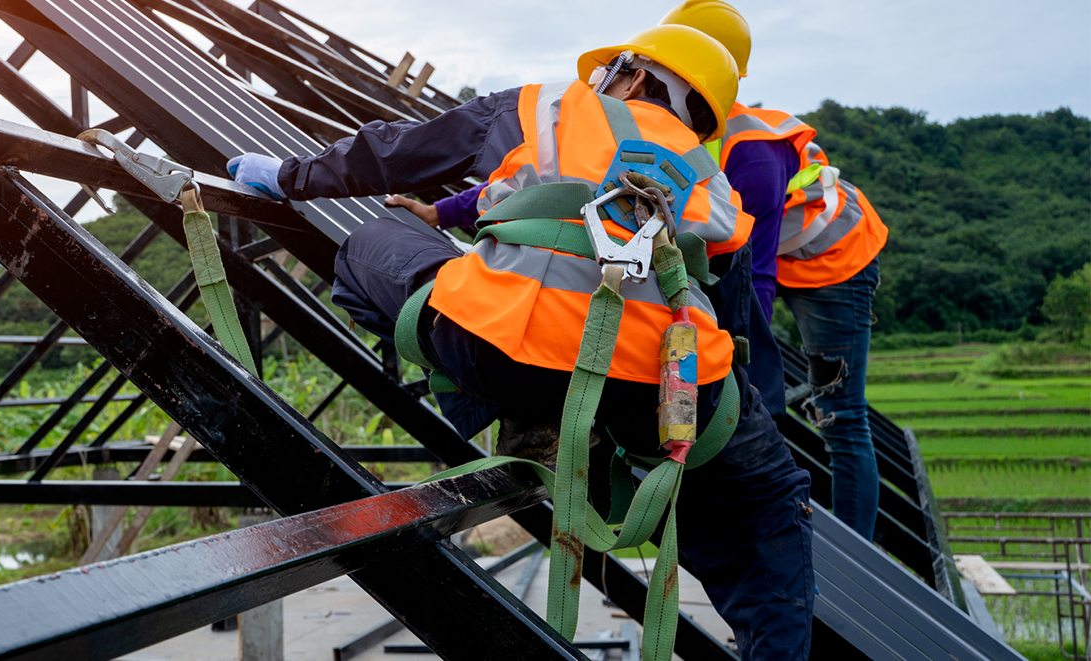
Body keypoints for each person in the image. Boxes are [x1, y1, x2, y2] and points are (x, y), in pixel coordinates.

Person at [228, 25, 813, 660]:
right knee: (768, 504)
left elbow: (397, 152)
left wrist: (289, 176)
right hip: (662, 381)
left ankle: (528, 416)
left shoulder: (543, 105)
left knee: (373, 244)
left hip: (503, 348)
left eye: (609, 72)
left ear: (636, 74)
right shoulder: (708, 173)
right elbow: (733, 310)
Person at [663, 0, 891, 541]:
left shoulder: (753, 150)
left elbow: (753, 273)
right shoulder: (685, 131)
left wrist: (740, 362)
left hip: (834, 261)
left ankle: (856, 552)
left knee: (840, 413)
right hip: (784, 252)